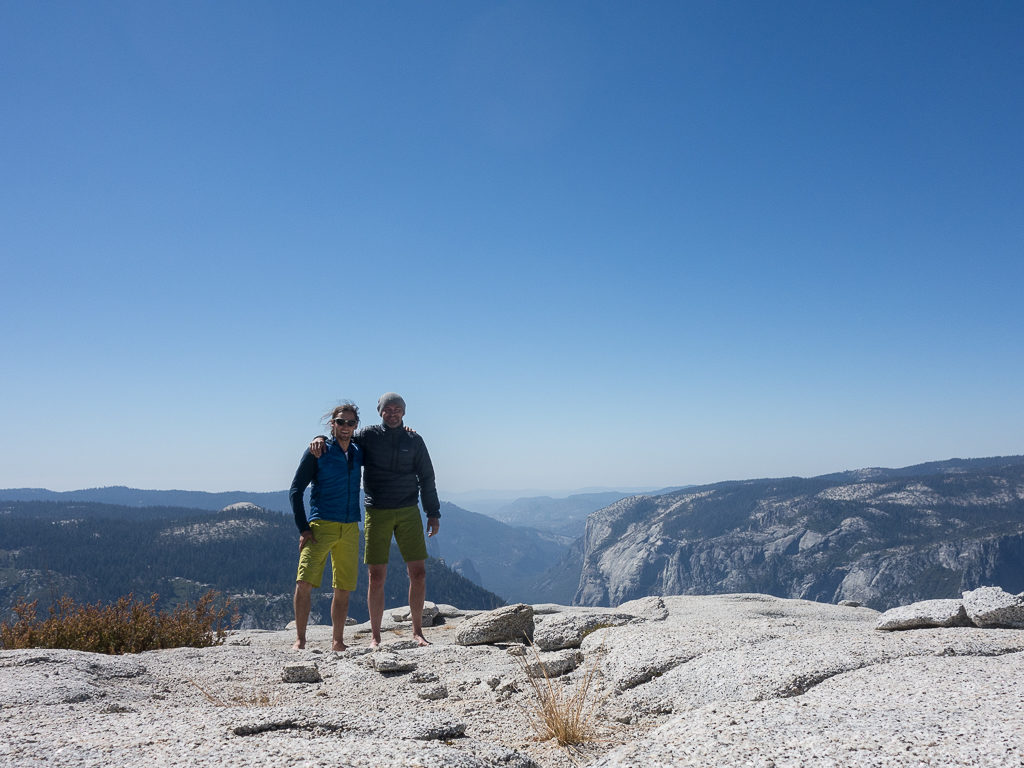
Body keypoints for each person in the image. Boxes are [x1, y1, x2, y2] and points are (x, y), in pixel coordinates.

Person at [311, 392, 440, 647]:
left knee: (419, 573)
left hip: (408, 510)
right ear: (380, 412)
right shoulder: (368, 435)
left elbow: (427, 477)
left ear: (404, 412)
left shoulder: (414, 440)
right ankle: (375, 637)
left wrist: (433, 513)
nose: (392, 413)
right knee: (376, 576)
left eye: (397, 409)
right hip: (376, 511)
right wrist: (320, 438)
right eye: (387, 409)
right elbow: (342, 436)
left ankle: (418, 632)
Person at [289, 402, 363, 651]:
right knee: (304, 582)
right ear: (332, 424)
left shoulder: (357, 450)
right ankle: (300, 640)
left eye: (350, 423)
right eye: (340, 422)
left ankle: (338, 642)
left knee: (343, 587)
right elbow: (296, 490)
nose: (345, 427)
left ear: (355, 426)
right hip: (321, 525)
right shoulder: (318, 451)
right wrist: (304, 527)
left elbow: (384, 437)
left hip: (351, 527)